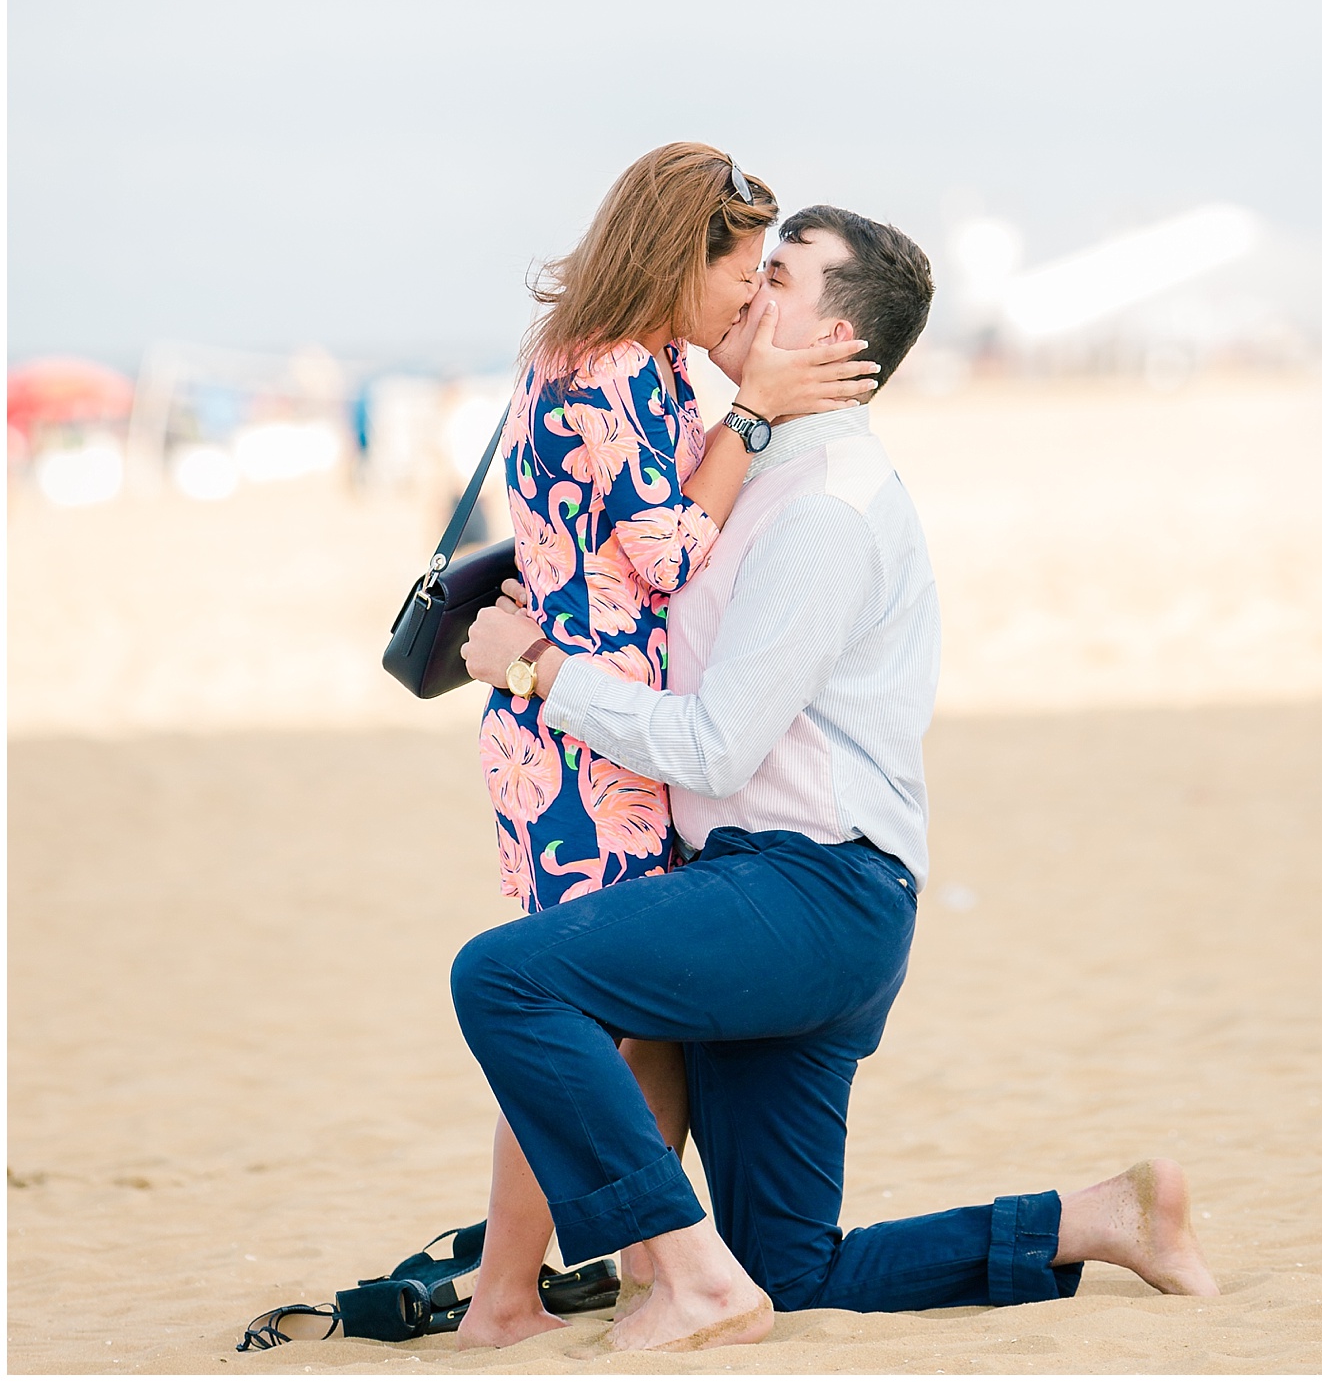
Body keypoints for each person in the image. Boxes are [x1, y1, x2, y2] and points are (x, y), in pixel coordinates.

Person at [453, 206, 1219, 1352]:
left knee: (506, 980)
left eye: (780, 277)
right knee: (797, 1268)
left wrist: (541, 671)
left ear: (841, 335)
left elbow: (716, 745)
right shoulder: (759, 462)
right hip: (793, 897)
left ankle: (689, 1278)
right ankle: (1096, 1217)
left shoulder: (825, 508)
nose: (749, 289)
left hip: (807, 893)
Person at [453, 148, 880, 1350]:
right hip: (582, 738)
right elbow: (678, 544)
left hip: (607, 725)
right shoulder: (605, 375)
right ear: (670, 260)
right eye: (741, 276)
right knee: (583, 1014)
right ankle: (512, 1294)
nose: (751, 301)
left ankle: (608, 1279)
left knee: (615, 1016)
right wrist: (757, 411)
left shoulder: (637, 365)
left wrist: (746, 397)